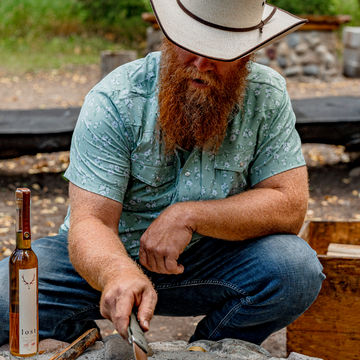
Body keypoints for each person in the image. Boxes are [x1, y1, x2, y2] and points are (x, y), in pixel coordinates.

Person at [0, 0, 325, 347]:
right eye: (190, 46)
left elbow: (289, 205)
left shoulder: (266, 95)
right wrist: (117, 271)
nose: (201, 65)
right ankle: (90, 344)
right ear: (169, 39)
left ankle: (208, 351)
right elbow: (90, 222)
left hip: (214, 261)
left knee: (296, 268)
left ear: (247, 56)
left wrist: (190, 216)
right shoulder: (116, 98)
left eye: (220, 53)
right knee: (6, 298)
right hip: (105, 258)